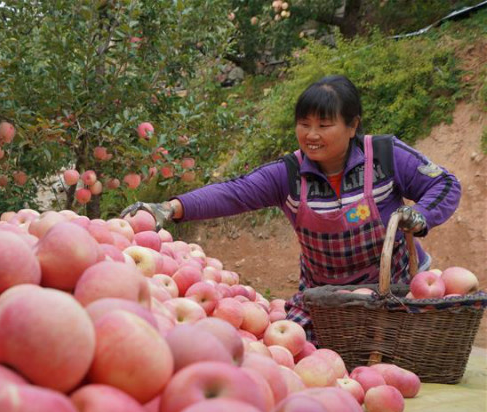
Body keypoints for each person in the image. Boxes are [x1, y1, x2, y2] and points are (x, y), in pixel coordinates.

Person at [120, 75, 461, 342]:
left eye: (324, 125)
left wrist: (422, 215)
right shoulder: (290, 174)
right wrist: (169, 208)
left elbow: (444, 184)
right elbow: (234, 192)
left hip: (396, 294)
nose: (311, 135)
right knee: (296, 353)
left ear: (353, 125)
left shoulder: (385, 156)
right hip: (324, 303)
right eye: (304, 124)